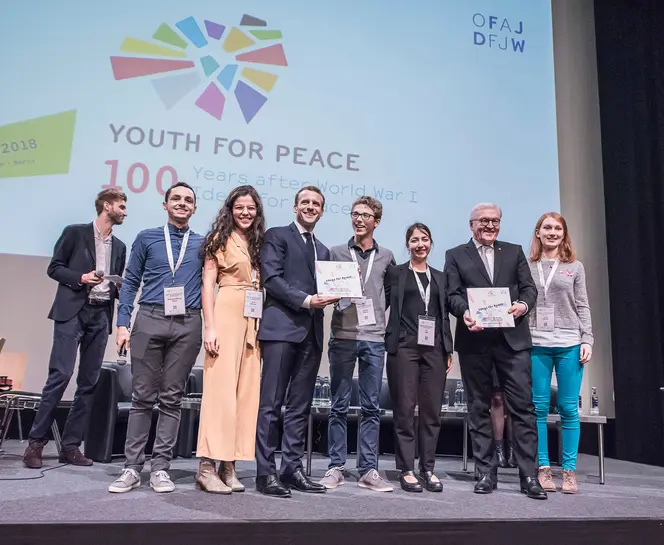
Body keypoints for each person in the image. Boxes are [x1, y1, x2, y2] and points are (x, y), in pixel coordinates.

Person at [444, 203, 547, 499]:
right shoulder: (455, 255)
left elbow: (530, 290)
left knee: (524, 409)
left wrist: (523, 306)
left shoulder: (514, 252)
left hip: (512, 342)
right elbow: (452, 294)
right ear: (471, 223)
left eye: (495, 221)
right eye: (484, 221)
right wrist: (464, 312)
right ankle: (485, 473)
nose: (490, 225)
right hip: (474, 341)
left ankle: (529, 477)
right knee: (478, 408)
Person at [108, 182, 204, 494]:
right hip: (149, 317)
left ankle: (161, 468)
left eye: (188, 200)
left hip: (187, 322)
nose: (182, 203)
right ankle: (132, 468)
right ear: (165, 205)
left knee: (172, 398)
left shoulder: (203, 244)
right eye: (176, 198)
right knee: (141, 398)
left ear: (194, 207)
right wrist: (122, 323)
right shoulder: (146, 237)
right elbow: (130, 281)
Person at [23, 189, 127, 469]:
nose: (125, 211)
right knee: (60, 375)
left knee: (89, 383)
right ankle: (35, 443)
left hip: (101, 315)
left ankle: (70, 446)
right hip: (72, 312)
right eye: (121, 206)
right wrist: (81, 278)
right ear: (107, 206)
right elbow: (54, 268)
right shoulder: (75, 233)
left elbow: (118, 283)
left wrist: (118, 287)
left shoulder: (120, 246)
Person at [254, 186, 337, 498]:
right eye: (305, 202)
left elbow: (327, 290)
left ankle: (292, 468)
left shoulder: (325, 251)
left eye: (316, 204)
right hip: (280, 330)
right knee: (271, 405)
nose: (310, 207)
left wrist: (343, 287)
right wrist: (306, 300)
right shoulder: (277, 235)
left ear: (322, 211)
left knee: (300, 408)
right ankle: (265, 473)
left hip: (312, 335)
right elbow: (271, 279)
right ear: (294, 206)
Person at [320, 196, 395, 492]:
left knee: (371, 407)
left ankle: (368, 469)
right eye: (355, 214)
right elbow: (326, 289)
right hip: (342, 336)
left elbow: (387, 293)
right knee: (338, 405)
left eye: (365, 215)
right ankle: (336, 467)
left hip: (374, 339)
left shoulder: (387, 256)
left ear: (376, 221)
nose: (359, 219)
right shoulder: (336, 252)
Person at [195, 186, 266, 494]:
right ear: (230, 209)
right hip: (225, 313)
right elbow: (208, 285)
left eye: (251, 208)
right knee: (220, 394)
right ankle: (207, 466)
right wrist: (209, 327)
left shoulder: (259, 243)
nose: (245, 213)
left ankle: (230, 465)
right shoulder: (219, 239)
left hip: (253, 320)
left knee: (245, 395)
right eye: (240, 207)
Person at [384, 223, 452, 492]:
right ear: (407, 245)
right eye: (414, 240)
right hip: (404, 348)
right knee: (404, 410)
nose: (420, 244)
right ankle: (407, 469)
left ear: (431, 243)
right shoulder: (395, 273)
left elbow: (444, 315)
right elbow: (381, 302)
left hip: (434, 348)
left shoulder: (440, 277)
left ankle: (428, 467)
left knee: (431, 412)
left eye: (424, 239)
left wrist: (448, 349)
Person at [528, 212, 593, 494]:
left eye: (557, 228)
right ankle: (543, 468)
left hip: (569, 342)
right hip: (536, 343)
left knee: (568, 409)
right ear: (538, 233)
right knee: (539, 409)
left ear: (563, 234)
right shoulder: (527, 266)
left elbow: (583, 305)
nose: (552, 232)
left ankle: (568, 471)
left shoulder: (574, 267)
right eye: (547, 228)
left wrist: (587, 338)